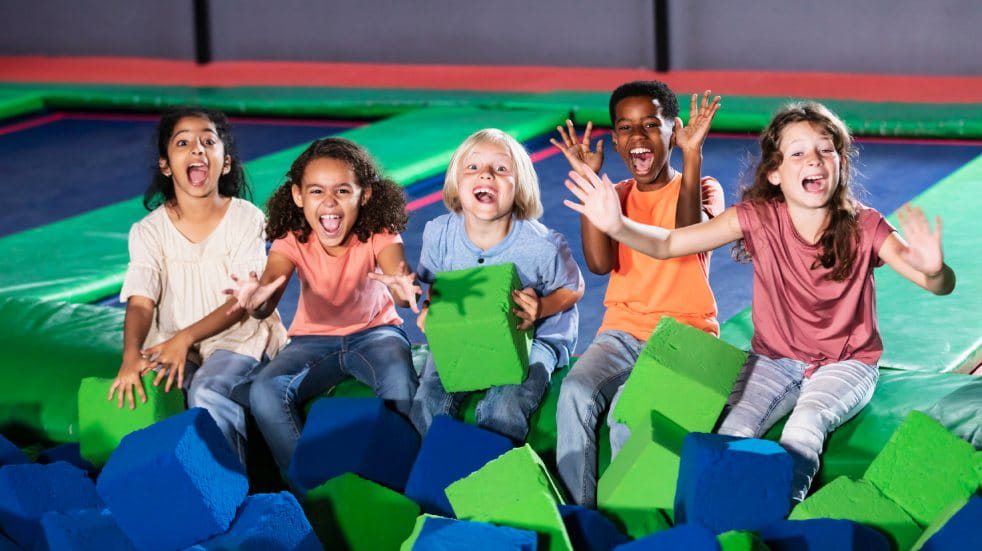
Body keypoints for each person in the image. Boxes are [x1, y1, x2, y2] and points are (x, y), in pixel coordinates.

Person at [564, 101, 956, 502]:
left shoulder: (865, 225)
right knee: (731, 432)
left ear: (840, 163)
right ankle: (717, 522)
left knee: (804, 426)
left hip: (847, 361)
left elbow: (937, 284)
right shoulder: (758, 218)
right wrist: (615, 224)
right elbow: (669, 243)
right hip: (773, 358)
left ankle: (778, 520)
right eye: (798, 153)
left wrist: (934, 270)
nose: (814, 161)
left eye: (825, 150)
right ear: (775, 173)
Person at [551, 81, 723, 507]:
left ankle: (635, 518)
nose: (638, 137)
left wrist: (693, 153)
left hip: (684, 334)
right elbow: (597, 263)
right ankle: (579, 513)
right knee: (574, 393)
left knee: (628, 409)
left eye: (651, 124)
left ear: (674, 130)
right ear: (615, 140)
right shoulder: (616, 197)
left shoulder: (703, 188)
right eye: (626, 128)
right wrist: (591, 180)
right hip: (622, 332)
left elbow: (686, 235)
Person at [109, 106, 287, 468]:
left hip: (237, 338)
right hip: (174, 339)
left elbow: (241, 302)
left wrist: (185, 338)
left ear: (225, 163)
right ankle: (177, 481)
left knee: (207, 388)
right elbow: (141, 302)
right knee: (158, 385)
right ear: (166, 165)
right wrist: (131, 355)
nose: (197, 149)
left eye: (208, 141)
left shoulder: (245, 218)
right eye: (183, 142)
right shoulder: (149, 231)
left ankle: (233, 490)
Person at [229, 137, 420, 475]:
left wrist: (405, 292)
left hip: (376, 334)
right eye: (317, 191)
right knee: (264, 391)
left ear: (366, 194)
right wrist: (255, 303)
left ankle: (405, 480)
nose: (329, 202)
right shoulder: (292, 238)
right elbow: (268, 291)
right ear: (298, 196)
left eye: (343, 191)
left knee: (399, 384)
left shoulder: (379, 232)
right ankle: (309, 485)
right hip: (312, 342)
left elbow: (399, 281)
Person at [411, 128, 584, 443]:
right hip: (464, 333)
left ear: (519, 187)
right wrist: (432, 309)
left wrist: (541, 307)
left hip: (535, 337)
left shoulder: (541, 245)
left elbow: (573, 287)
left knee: (503, 408)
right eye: (473, 167)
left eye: (501, 169)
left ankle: (493, 481)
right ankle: (436, 477)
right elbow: (437, 285)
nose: (486, 175)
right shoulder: (439, 234)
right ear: (455, 184)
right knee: (427, 403)